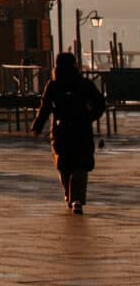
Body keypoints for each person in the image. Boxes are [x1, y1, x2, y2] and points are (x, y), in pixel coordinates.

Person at [32, 51, 106, 212]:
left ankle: (68, 194)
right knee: (80, 165)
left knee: (64, 164)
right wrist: (89, 117)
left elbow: (45, 108)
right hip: (81, 128)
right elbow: (100, 104)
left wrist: (37, 126)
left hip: (61, 129)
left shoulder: (53, 85)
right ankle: (77, 199)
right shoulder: (84, 84)